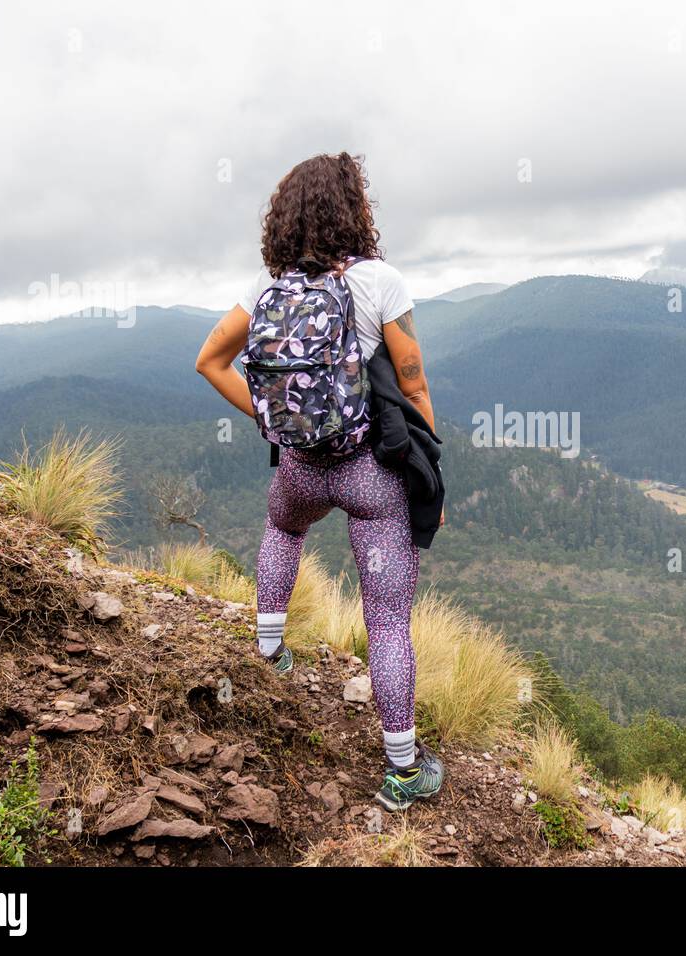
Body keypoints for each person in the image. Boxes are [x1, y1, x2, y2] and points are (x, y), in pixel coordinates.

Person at [194, 152, 443, 811]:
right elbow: (413, 383)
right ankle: (401, 772)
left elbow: (208, 360)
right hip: (370, 477)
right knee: (387, 622)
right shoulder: (382, 282)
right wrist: (429, 477)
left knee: (282, 527)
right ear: (354, 207)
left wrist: (273, 419)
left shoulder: (268, 286)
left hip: (300, 469)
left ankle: (270, 650)